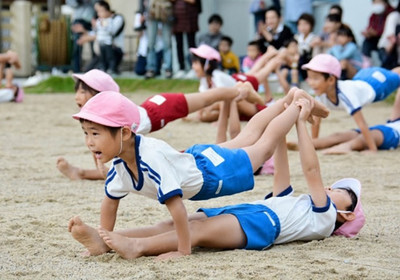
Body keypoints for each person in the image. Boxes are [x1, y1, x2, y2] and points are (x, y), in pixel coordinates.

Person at [68, 91, 364, 260]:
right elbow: (282, 155)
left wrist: (297, 115)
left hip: (214, 177)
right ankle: (104, 241)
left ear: (347, 214)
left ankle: (134, 244)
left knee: (258, 145)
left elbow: (310, 169)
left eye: (339, 190)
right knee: (257, 139)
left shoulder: (323, 215)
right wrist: (287, 112)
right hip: (202, 169)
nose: (329, 187)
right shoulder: (296, 204)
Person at [56, 69, 265, 180]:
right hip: (153, 111)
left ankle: (241, 90)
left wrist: (102, 168)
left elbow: (106, 165)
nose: (77, 96)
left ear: (100, 95)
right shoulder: (98, 124)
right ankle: (80, 173)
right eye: (78, 91)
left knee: (206, 98)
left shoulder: (111, 118)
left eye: (83, 91)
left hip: (160, 108)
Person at [302, 53, 400, 153]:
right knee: (392, 74)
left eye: (315, 78)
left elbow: (362, 124)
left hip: (378, 85)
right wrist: (314, 143)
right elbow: (316, 122)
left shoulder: (346, 95)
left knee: (396, 76)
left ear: (331, 80)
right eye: (309, 78)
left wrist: (372, 149)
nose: (311, 83)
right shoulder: (321, 95)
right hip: (361, 77)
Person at [190, 44, 269, 122]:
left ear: (207, 65)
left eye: (196, 63)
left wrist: (220, 121)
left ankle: (271, 56)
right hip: (236, 89)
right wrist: (198, 115)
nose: (193, 66)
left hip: (240, 84)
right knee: (206, 114)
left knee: (260, 73)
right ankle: (270, 57)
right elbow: (203, 99)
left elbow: (223, 98)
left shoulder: (217, 76)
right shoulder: (204, 80)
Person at [172, 0, 201, 79]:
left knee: (191, 44)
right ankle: (181, 68)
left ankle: (194, 67)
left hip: (190, 16)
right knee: (179, 44)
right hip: (177, 16)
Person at [144, 0, 174, 79]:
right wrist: (141, 11)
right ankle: (151, 69)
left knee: (167, 43)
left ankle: (168, 69)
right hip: (152, 10)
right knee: (150, 43)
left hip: (165, 11)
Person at [361, 0, 394, 67]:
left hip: (386, 40)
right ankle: (367, 63)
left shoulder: (392, 14)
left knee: (382, 47)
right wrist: (368, 33)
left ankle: (386, 66)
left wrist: (376, 33)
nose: (376, 4)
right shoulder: (374, 15)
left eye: (378, 2)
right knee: (366, 42)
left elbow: (389, 31)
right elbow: (370, 27)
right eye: (374, 2)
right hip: (375, 39)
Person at [67, 0, 96, 73]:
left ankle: (94, 70)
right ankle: (77, 70)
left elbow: (98, 3)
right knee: (77, 47)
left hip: (91, 20)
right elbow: (70, 3)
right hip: (78, 21)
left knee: (95, 48)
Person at [377, 2, 400, 69]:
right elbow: (390, 36)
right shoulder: (394, 16)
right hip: (387, 48)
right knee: (387, 70)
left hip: (395, 51)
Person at [295, 13, 316, 80]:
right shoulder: (296, 38)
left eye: (305, 24)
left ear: (311, 25)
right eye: (300, 24)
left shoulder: (315, 38)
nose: (303, 27)